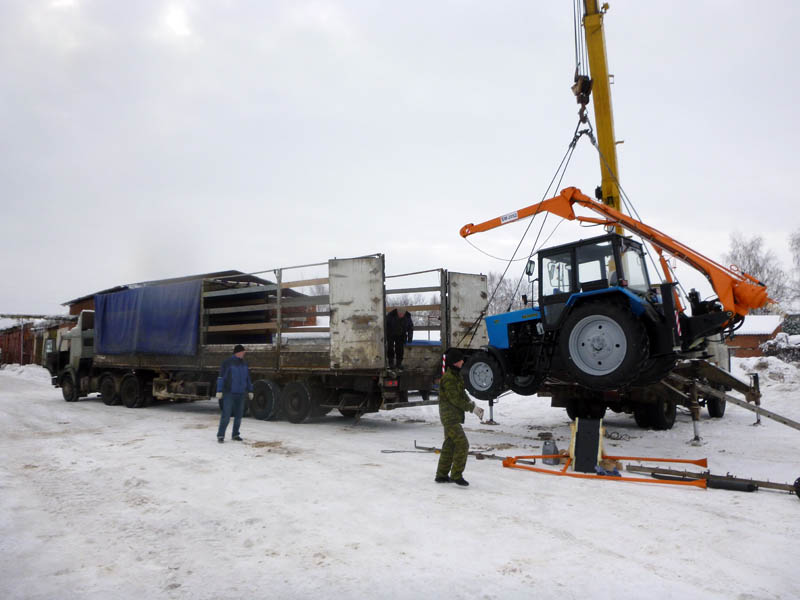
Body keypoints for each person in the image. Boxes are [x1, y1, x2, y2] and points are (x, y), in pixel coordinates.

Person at [435, 348, 484, 486]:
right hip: (449, 417)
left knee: (450, 445)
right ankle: (456, 475)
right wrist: (471, 408)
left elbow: (462, 394)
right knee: (463, 444)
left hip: (454, 416)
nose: (463, 361)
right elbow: (455, 399)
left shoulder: (457, 375)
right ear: (455, 362)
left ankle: (441, 475)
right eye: (460, 360)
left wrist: (472, 404)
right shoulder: (449, 378)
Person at [216, 344, 253, 443]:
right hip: (229, 393)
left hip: (241, 394)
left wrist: (250, 390)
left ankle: (235, 434)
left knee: (239, 415)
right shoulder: (227, 363)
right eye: (243, 352)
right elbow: (221, 377)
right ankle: (220, 435)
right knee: (226, 415)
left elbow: (248, 378)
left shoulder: (244, 363)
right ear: (238, 352)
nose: (244, 354)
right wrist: (219, 390)